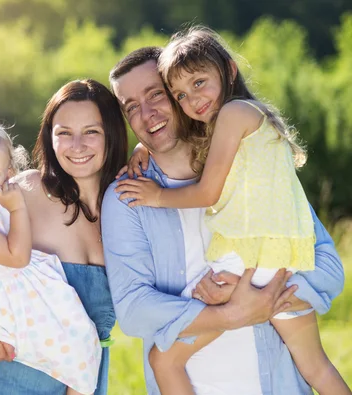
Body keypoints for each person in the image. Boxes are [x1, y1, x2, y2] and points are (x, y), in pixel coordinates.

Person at [113, 27, 350, 395]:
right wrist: (237, 311)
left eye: (157, 95)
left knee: (164, 359)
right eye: (131, 107)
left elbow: (330, 270)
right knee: (318, 368)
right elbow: (132, 311)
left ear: (228, 70)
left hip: (251, 280)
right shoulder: (127, 195)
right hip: (267, 269)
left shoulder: (239, 138)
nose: (148, 113)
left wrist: (256, 302)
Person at [0, 79, 128, 394]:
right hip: (8, 375)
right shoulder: (26, 191)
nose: (77, 145)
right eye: (64, 133)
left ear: (111, 135)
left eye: (91, 131)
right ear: (50, 137)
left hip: (83, 379)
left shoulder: (128, 208)